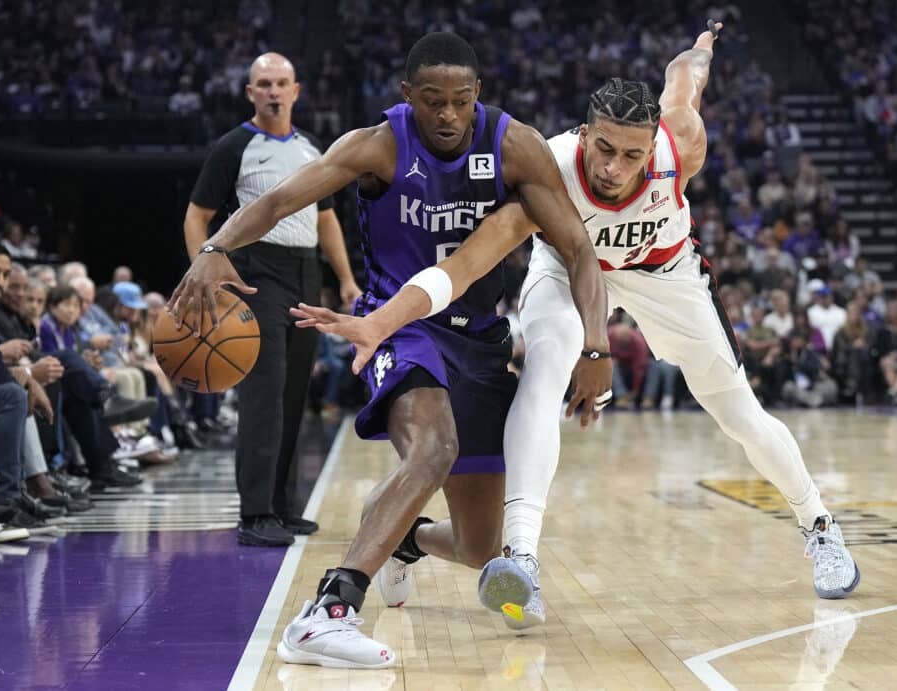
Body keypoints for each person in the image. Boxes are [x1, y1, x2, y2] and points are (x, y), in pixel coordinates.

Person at [307, 22, 861, 632]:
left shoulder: (683, 143)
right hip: (567, 268)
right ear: (585, 134)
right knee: (543, 374)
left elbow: (685, 80)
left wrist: (701, 48)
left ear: (652, 149)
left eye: (631, 155)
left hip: (664, 271)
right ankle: (521, 558)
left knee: (741, 416)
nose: (613, 167)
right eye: (603, 148)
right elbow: (469, 262)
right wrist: (387, 319)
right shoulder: (550, 164)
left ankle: (819, 524)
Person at [168, 32, 611, 667]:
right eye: (432, 100)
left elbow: (577, 249)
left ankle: (406, 541)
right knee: (435, 448)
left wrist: (596, 347)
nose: (448, 114)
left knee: (483, 550)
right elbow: (276, 201)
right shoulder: (377, 143)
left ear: (477, 95)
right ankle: (329, 611)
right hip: (398, 327)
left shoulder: (517, 145)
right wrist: (216, 250)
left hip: (481, 341)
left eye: (460, 100)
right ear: (409, 96)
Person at [182, 52, 363, 547]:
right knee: (264, 395)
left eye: (282, 82)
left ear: (297, 90)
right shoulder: (233, 146)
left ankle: (282, 505)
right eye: (264, 83)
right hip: (255, 271)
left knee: (294, 395)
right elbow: (197, 216)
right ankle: (254, 513)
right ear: (250, 92)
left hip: (306, 272)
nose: (273, 91)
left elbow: (327, 220)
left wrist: (345, 280)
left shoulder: (312, 150)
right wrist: (208, 271)